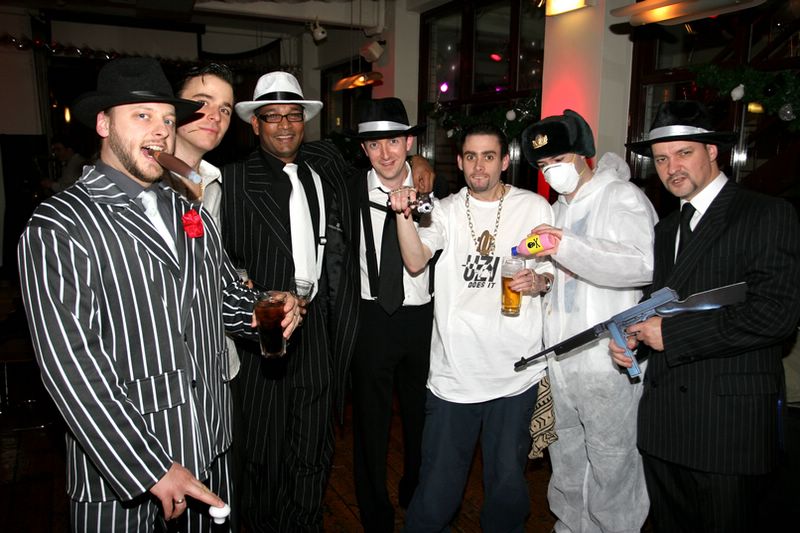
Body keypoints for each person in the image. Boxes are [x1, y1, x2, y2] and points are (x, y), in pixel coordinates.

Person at [16, 57, 300, 532]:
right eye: (142, 116)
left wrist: (261, 310)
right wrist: (148, 465)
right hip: (124, 478)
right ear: (104, 123)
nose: (161, 131)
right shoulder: (60, 225)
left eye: (168, 119)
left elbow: (224, 295)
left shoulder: (190, 210)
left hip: (209, 449)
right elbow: (70, 366)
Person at [611, 100, 800, 532]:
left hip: (726, 430)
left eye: (683, 153)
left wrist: (671, 335)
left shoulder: (765, 214)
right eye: (661, 158)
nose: (671, 167)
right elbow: (661, 305)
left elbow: (777, 315)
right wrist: (634, 338)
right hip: (664, 426)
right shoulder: (665, 229)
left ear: (712, 152)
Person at [390, 123, 554, 532]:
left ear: (505, 161)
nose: (478, 166)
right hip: (455, 376)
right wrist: (404, 217)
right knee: (437, 492)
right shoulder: (444, 209)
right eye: (470, 157)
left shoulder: (534, 208)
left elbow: (550, 271)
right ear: (460, 161)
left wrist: (539, 281)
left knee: (507, 491)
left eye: (488, 156)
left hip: (515, 375)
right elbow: (414, 261)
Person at [520, 110, 657, 532]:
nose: (550, 171)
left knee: (613, 463)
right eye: (543, 166)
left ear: (582, 155)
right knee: (567, 459)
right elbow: (566, 278)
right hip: (562, 361)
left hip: (607, 360)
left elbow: (641, 265)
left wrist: (565, 245)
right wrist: (542, 280)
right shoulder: (559, 208)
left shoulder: (622, 197)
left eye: (557, 160)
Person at [348, 97, 436, 532]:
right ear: (363, 149)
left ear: (409, 142)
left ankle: (417, 491)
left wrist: (423, 165)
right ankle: (374, 512)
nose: (386, 154)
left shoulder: (431, 192)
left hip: (421, 318)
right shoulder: (345, 189)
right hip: (370, 318)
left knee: (422, 417)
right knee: (370, 424)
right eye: (375, 144)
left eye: (395, 141)